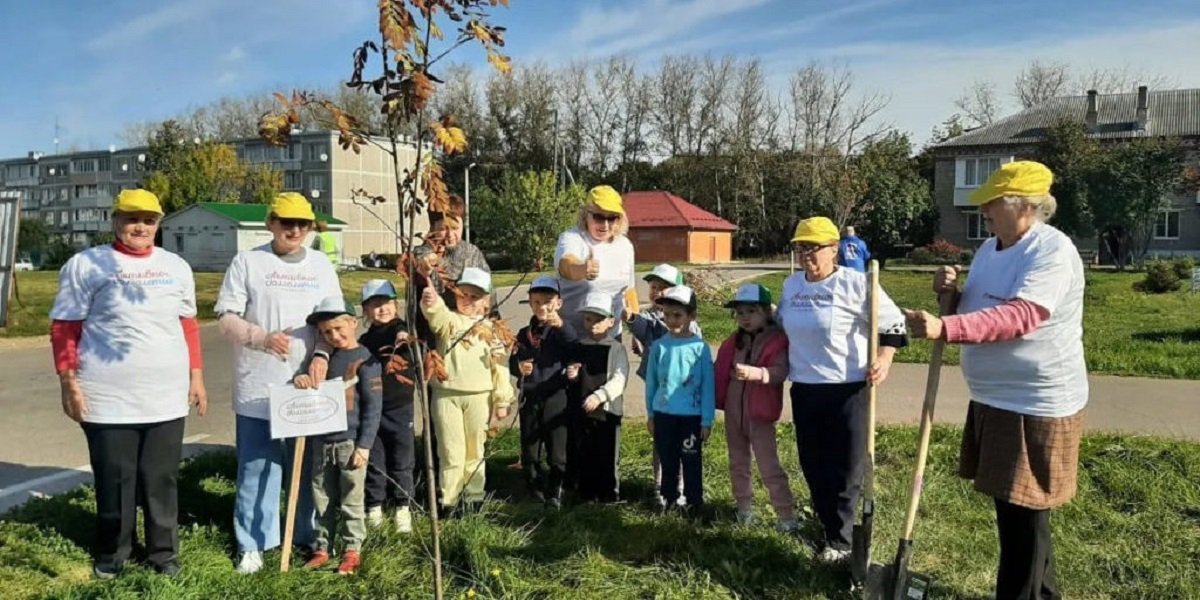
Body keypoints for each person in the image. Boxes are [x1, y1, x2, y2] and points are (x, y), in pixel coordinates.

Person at [904, 161, 1086, 600]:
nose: (983, 207)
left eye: (993, 200)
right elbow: (972, 312)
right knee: (1019, 515)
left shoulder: (1052, 251)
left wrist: (945, 329)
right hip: (994, 399)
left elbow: (1022, 316)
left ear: (1026, 205)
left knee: (1025, 514)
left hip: (1036, 402)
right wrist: (948, 296)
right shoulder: (990, 249)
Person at [49, 189, 207, 579]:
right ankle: (113, 554)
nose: (140, 226)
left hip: (166, 395)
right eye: (131, 218)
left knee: (161, 478)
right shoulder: (86, 264)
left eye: (148, 219)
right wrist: (69, 382)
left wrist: (197, 376)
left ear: (159, 222)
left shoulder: (176, 266)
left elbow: (187, 324)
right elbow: (65, 328)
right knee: (115, 479)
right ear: (115, 219)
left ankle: (163, 555)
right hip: (106, 395)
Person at [215, 192, 343, 574]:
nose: (295, 230)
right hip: (258, 385)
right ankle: (253, 543)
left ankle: (305, 534)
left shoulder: (321, 265)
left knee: (307, 465)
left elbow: (335, 321)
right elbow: (225, 316)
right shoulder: (248, 262)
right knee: (258, 466)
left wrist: (321, 355)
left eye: (302, 223)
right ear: (270, 222)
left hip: (307, 384)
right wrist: (261, 337)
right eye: (286, 222)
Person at [776, 216, 907, 564]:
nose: (805, 254)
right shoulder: (792, 287)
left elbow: (894, 324)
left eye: (813, 247)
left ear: (834, 248)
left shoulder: (857, 284)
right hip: (805, 388)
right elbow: (782, 327)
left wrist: (884, 357)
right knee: (813, 465)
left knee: (846, 468)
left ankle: (843, 540)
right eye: (799, 247)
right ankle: (826, 525)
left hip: (847, 389)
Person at [292, 298, 382, 576]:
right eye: (327, 332)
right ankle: (322, 547)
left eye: (339, 328)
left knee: (351, 498)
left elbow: (373, 407)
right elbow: (308, 387)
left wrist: (364, 445)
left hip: (349, 443)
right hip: (321, 442)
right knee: (322, 497)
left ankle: (352, 549)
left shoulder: (366, 360)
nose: (334, 336)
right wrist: (301, 382)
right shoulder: (322, 360)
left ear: (353, 323)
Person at [420, 267, 514, 515]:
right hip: (446, 395)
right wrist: (431, 300)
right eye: (464, 294)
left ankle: (474, 497)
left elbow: (500, 367)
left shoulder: (492, 330)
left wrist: (502, 399)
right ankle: (448, 500)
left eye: (476, 297)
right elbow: (437, 316)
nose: (469, 301)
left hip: (479, 396)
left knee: (475, 448)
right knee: (451, 449)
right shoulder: (451, 321)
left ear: (486, 302)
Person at [714, 283, 798, 532]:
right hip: (734, 414)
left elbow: (780, 372)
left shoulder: (776, 341)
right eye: (740, 313)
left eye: (751, 311)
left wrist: (757, 373)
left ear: (766, 312)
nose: (745, 318)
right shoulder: (734, 342)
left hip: (760, 415)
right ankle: (744, 509)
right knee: (738, 463)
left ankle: (786, 515)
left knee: (769, 465)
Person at [623, 262, 698, 504]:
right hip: (658, 391)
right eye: (653, 287)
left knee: (685, 441)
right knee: (661, 439)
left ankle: (683, 486)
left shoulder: (687, 323)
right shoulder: (651, 317)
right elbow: (641, 324)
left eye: (663, 288)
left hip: (683, 392)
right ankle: (660, 485)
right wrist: (630, 317)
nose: (656, 292)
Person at [644, 285, 714, 513]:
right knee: (669, 460)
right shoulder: (659, 347)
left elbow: (707, 386)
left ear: (691, 316)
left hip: (691, 417)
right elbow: (652, 384)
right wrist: (651, 415)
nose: (672, 320)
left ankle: (694, 503)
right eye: (667, 315)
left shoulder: (700, 348)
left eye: (678, 315)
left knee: (691, 461)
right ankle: (670, 499)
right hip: (664, 416)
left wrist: (706, 420)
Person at [510, 276, 577, 507]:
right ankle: (534, 488)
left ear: (559, 303)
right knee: (530, 445)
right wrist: (518, 368)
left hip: (556, 394)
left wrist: (561, 325)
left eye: (548, 301)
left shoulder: (561, 331)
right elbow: (512, 361)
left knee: (557, 447)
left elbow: (574, 346)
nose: (542, 307)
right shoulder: (522, 334)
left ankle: (555, 489)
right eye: (537, 301)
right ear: (530, 302)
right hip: (530, 395)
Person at [357, 279, 418, 532]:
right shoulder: (364, 340)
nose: (382, 309)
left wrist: (404, 335)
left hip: (400, 406)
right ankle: (375, 506)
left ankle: (403, 505)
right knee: (375, 459)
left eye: (386, 303)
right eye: (374, 305)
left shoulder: (401, 332)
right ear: (365, 311)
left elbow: (405, 334)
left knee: (402, 457)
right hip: (373, 409)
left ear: (395, 305)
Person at [565, 292, 629, 504]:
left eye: (598, 320)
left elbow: (619, 379)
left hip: (606, 411)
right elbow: (574, 374)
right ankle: (587, 493)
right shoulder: (580, 346)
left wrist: (600, 396)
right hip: (583, 409)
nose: (592, 324)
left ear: (611, 322)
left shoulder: (616, 348)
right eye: (588, 319)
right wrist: (571, 375)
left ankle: (609, 494)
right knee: (585, 451)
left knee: (607, 454)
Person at [555, 185, 637, 338]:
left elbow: (629, 291)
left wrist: (637, 331)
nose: (605, 224)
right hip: (573, 337)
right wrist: (581, 269)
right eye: (599, 217)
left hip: (611, 336)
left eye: (612, 218)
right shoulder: (573, 238)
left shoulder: (625, 245)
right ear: (586, 215)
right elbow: (566, 265)